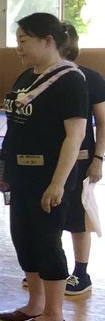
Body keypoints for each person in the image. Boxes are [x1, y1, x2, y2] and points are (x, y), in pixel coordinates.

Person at [0, 12, 89, 321]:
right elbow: (13, 129)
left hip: (49, 177)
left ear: (48, 41)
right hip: (21, 175)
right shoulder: (26, 77)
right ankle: (34, 305)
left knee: (47, 241)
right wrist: (4, 170)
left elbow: (75, 135)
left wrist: (58, 183)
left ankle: (53, 314)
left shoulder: (70, 80)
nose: (18, 47)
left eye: (23, 40)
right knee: (23, 237)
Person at [57, 22, 103, 296]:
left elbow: (103, 122)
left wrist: (98, 158)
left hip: (82, 159)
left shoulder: (90, 78)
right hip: (51, 158)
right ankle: (52, 270)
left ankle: (81, 272)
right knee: (49, 214)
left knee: (78, 215)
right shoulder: (38, 79)